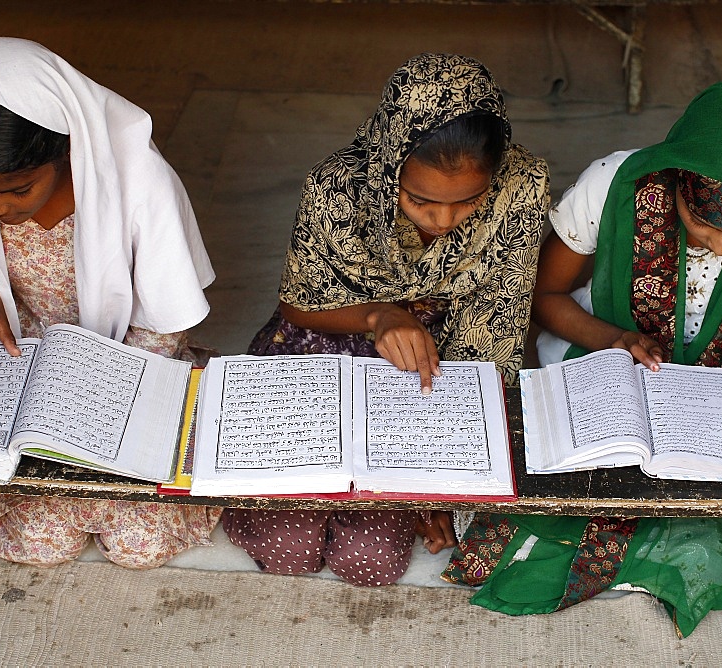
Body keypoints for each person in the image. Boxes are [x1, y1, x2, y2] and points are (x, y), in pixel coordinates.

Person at [444, 82, 722, 636]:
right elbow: (542, 298)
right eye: (704, 227)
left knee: (707, 540)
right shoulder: (614, 184)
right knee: (547, 504)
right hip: (593, 369)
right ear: (674, 182)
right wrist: (612, 339)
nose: (721, 248)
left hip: (707, 404)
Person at [222, 53, 550, 586]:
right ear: (388, 165)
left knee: (368, 560)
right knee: (289, 546)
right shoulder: (334, 188)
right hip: (324, 345)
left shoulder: (522, 187)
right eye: (419, 201)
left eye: (468, 202)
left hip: (431, 368)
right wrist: (380, 315)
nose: (443, 222)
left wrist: (440, 478)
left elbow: (496, 324)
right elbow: (297, 304)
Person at [0, 37, 222, 569]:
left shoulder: (138, 179)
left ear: (67, 149)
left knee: (137, 542)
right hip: (22, 376)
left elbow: (162, 322)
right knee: (42, 540)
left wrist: (94, 405)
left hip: (135, 371)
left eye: (17, 189)